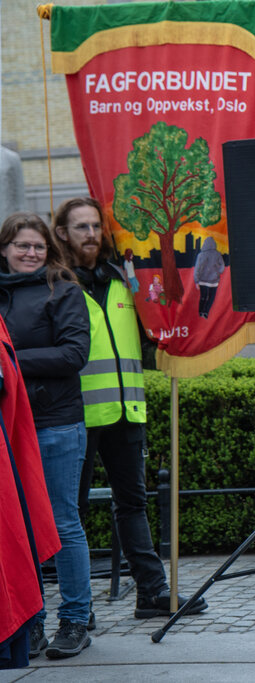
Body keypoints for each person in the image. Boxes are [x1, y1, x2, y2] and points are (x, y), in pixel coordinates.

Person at [52, 197, 207, 620]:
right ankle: (79, 604)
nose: (90, 234)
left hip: (126, 410)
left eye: (95, 226)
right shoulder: (56, 284)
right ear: (61, 233)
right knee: (73, 511)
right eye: (80, 227)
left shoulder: (122, 279)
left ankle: (152, 592)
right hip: (76, 415)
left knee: (133, 504)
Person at [0, 212, 92, 658]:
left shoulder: (65, 290)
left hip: (56, 424)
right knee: (21, 530)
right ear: (4, 249)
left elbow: (74, 354)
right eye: (21, 246)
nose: (30, 253)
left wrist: (10, 358)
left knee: (62, 524)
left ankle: (75, 621)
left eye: (37, 246)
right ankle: (30, 622)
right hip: (9, 428)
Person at [193, 236, 224, 319]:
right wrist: (218, 272)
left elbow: (197, 269)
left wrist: (196, 281)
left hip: (203, 280)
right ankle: (206, 312)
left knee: (203, 296)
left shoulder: (201, 255)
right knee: (211, 298)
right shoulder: (217, 254)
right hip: (214, 281)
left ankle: (200, 311)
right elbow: (222, 267)